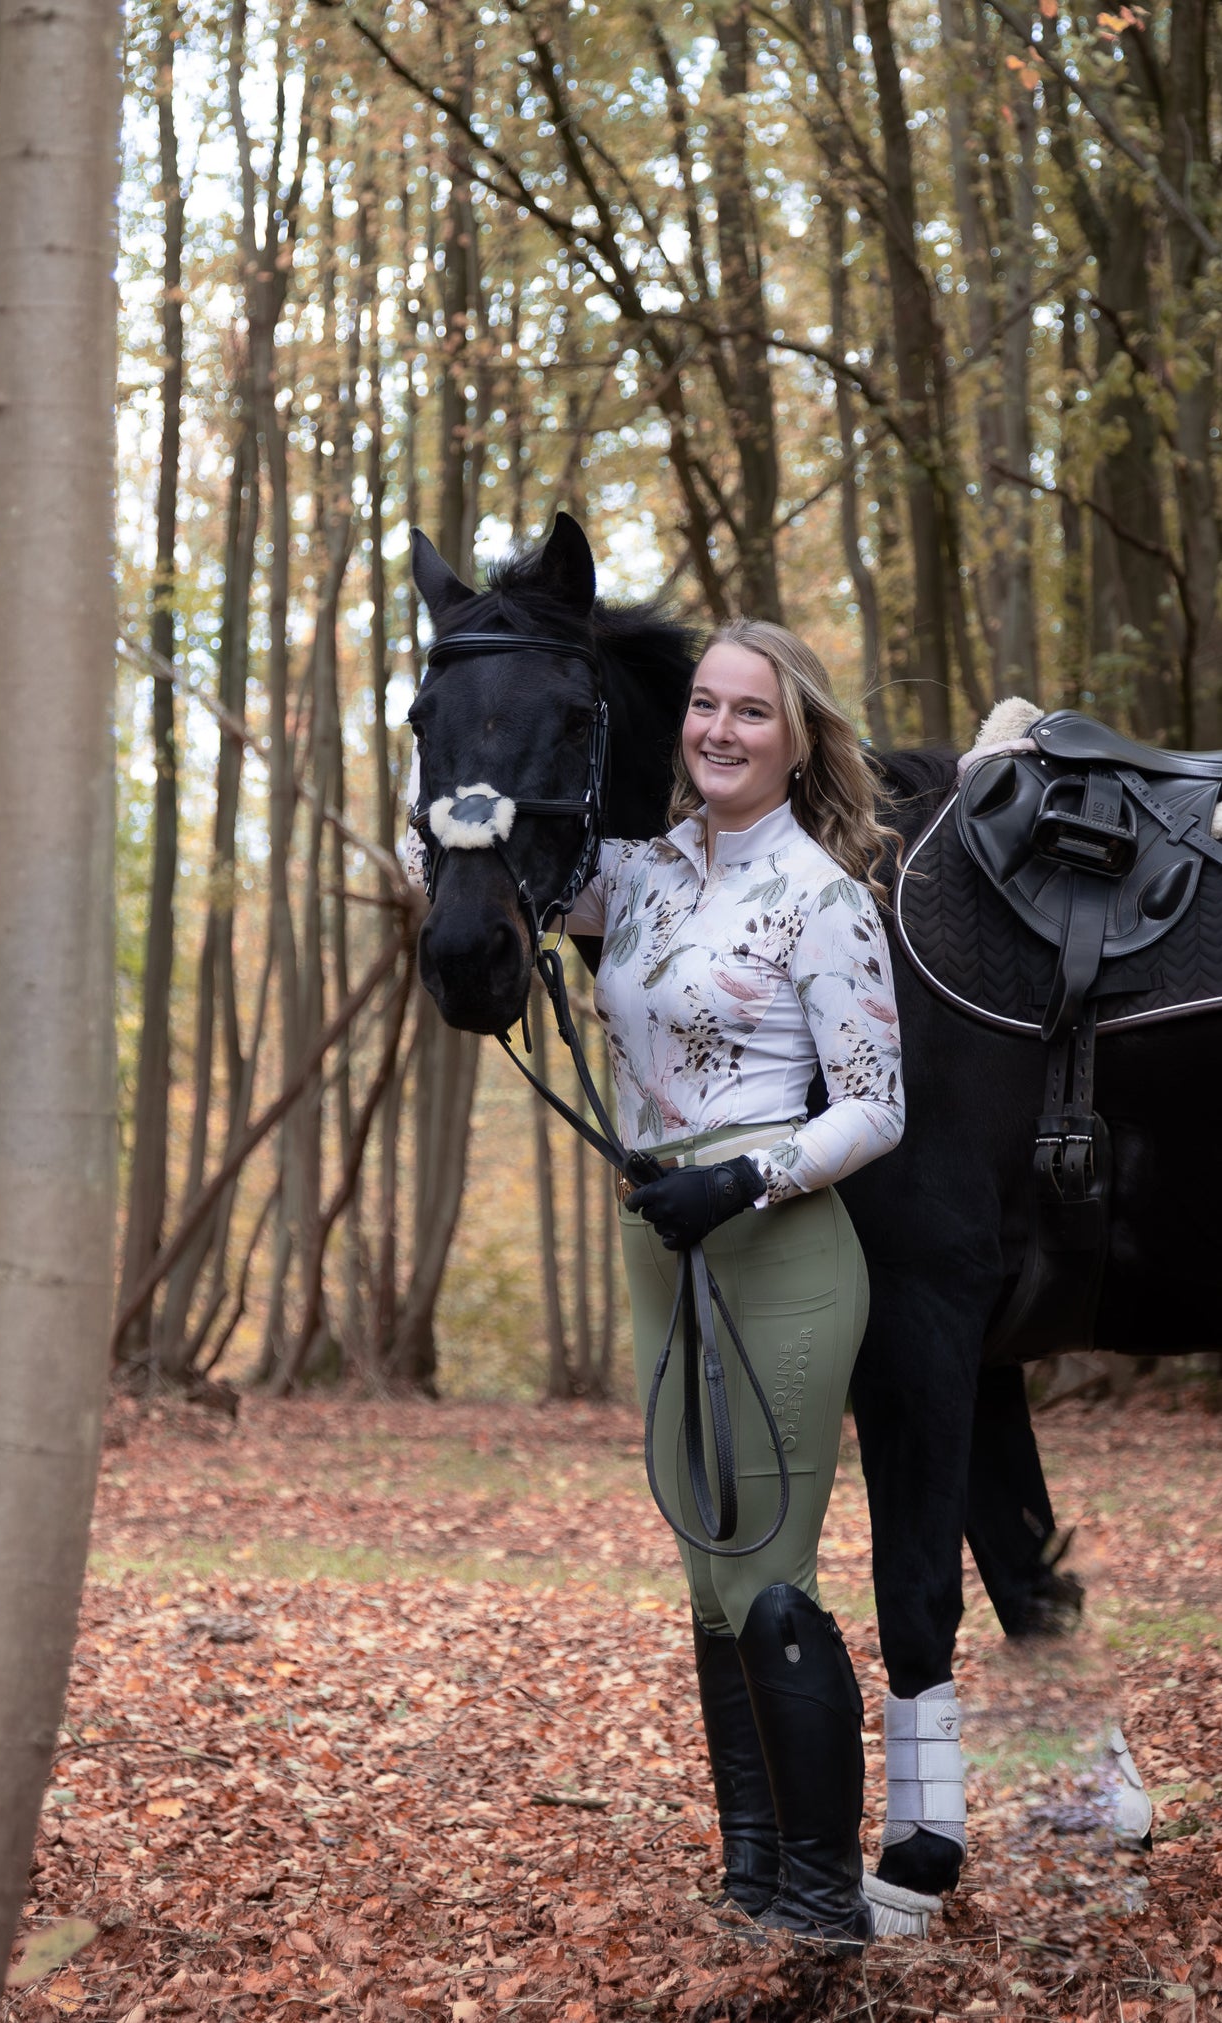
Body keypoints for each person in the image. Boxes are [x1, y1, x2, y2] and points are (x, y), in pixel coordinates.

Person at [563, 618, 904, 1954]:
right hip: (661, 1244)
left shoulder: (822, 898)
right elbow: (461, 868)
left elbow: (876, 1107)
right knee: (707, 1580)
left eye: (749, 712)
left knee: (767, 1573)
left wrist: (744, 1178)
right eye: (703, 706)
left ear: (797, 737)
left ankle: (820, 1905)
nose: (716, 730)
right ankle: (752, 1876)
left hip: (777, 1251)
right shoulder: (640, 877)